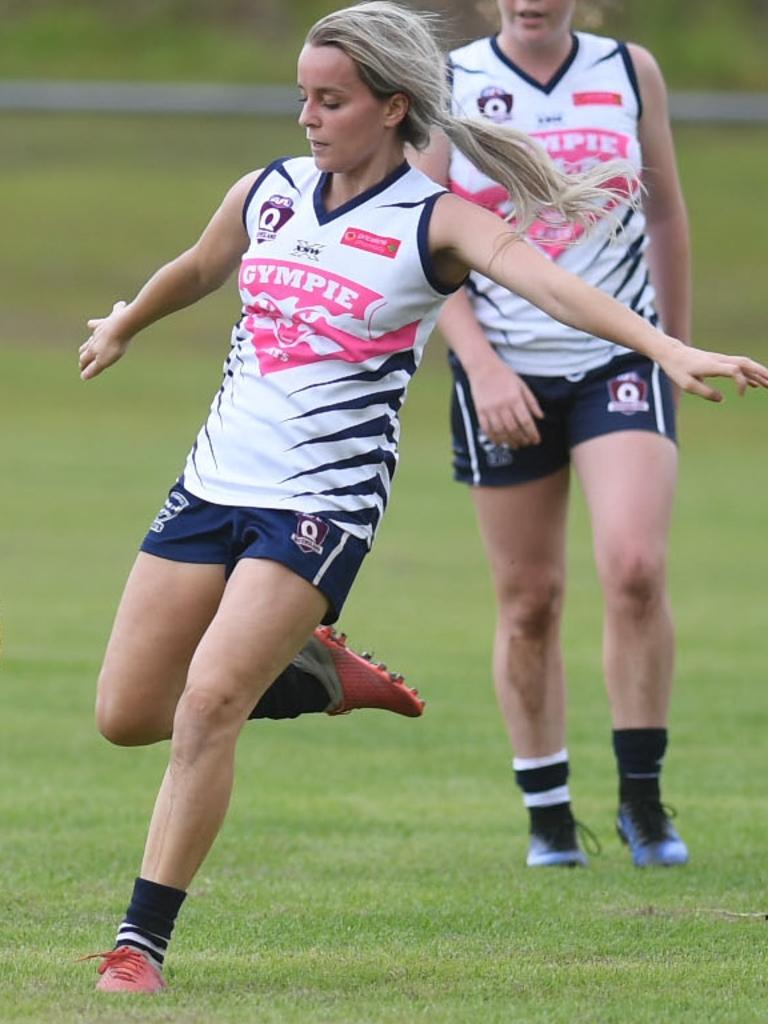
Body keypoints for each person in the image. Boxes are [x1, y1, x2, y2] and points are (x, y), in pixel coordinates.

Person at [77, 0, 768, 994]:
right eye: (302, 98)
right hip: (210, 485)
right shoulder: (268, 191)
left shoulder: (436, 223)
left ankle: (137, 945)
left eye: (331, 100)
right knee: (126, 712)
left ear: (392, 106)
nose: (309, 118)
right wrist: (126, 322)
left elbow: (549, 286)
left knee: (209, 703)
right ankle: (310, 673)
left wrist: (665, 345)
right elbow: (198, 265)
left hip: (319, 507)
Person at [412, 0, 718, 868]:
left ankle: (644, 807)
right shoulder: (456, 78)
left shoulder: (630, 70)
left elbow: (664, 216)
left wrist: (673, 350)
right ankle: (549, 816)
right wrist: (480, 366)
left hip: (620, 361)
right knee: (531, 600)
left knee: (634, 567)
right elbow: (426, 239)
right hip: (503, 371)